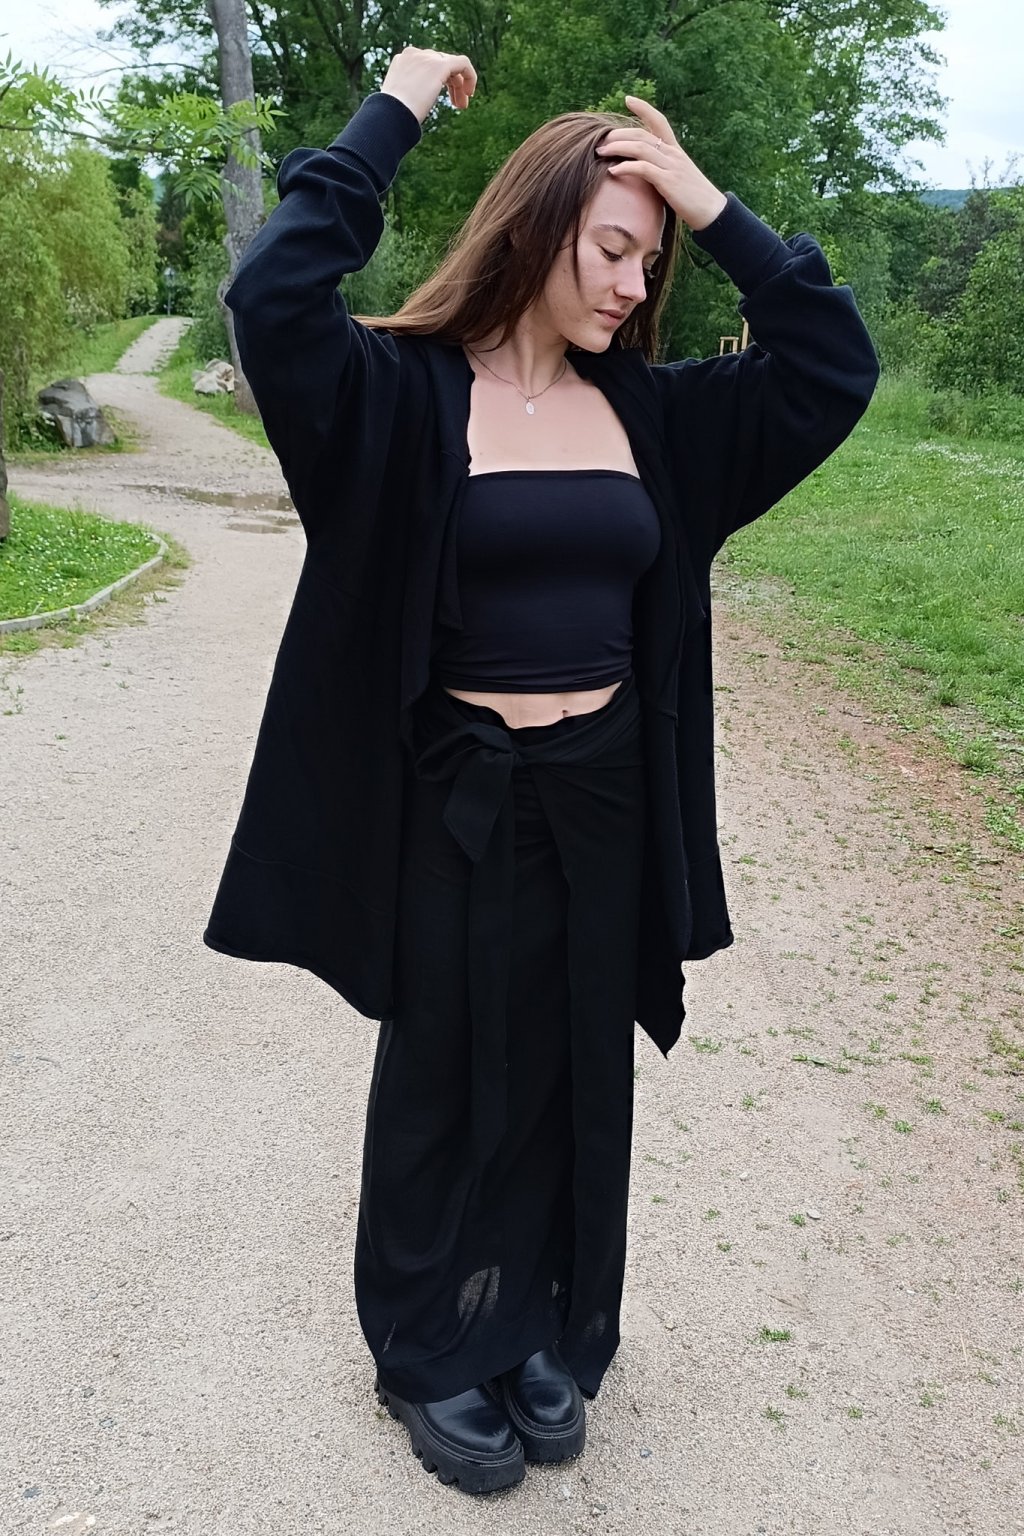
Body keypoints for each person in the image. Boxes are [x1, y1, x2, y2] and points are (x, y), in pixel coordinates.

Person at [203, 45, 879, 1496]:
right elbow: (272, 299)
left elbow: (835, 365)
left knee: (578, 1059)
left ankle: (548, 1325)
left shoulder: (660, 417)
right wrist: (388, 111)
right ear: (536, 223)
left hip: (607, 788)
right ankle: (429, 1345)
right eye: (614, 250)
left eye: (652, 262)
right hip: (458, 793)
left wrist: (711, 206)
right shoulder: (393, 395)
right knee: (448, 1065)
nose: (635, 286)